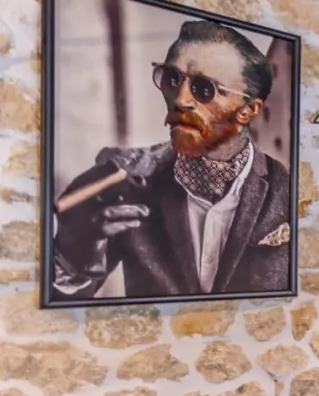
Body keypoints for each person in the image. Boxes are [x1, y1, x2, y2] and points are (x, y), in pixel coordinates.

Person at [51, 20, 293, 300]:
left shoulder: (286, 190)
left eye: (204, 89)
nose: (180, 99)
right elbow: (56, 307)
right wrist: (71, 254)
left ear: (247, 110)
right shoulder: (125, 179)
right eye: (172, 79)